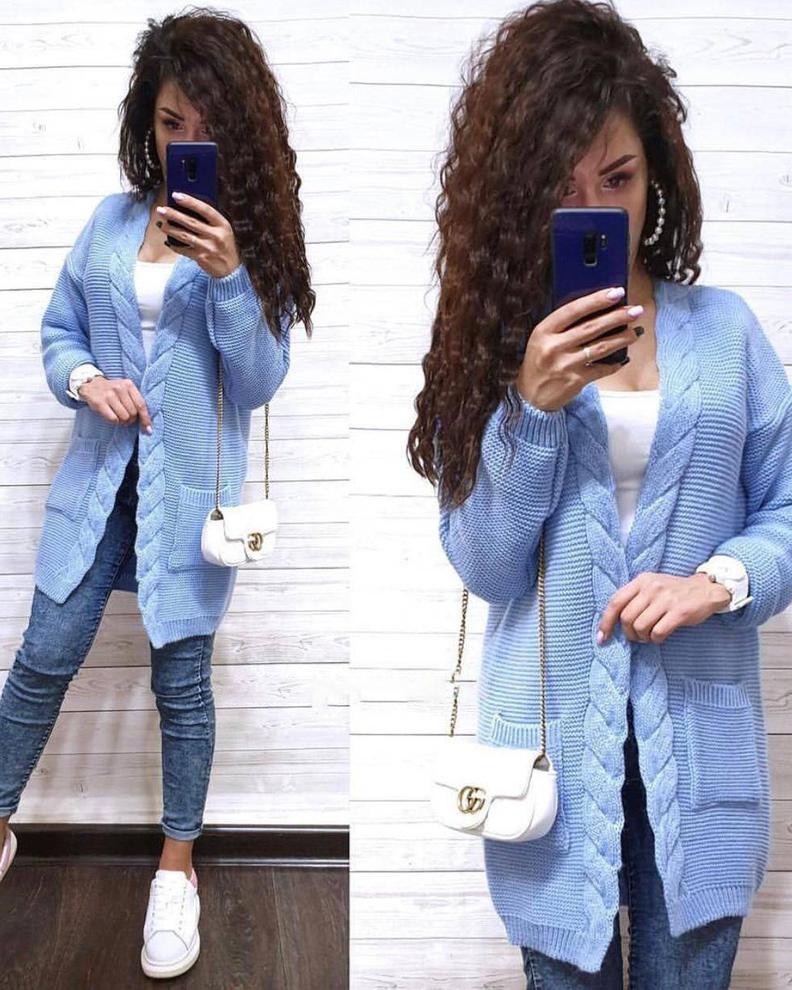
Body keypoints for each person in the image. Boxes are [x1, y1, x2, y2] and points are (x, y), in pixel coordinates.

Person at [407, 0, 791, 986]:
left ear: (657, 171)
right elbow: (487, 568)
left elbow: (787, 509)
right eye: (563, 190)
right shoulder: (490, 353)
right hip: (546, 762)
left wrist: (717, 580)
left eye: (618, 178)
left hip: (701, 755)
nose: (599, 213)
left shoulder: (727, 334)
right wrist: (531, 410)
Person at [0, 7, 314, 981]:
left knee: (181, 683)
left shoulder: (247, 245)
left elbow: (258, 382)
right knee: (45, 655)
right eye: (172, 122)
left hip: (186, 504)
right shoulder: (110, 221)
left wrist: (229, 276)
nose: (186, 144)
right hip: (99, 483)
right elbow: (59, 330)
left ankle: (177, 867)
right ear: (149, 119)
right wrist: (84, 379)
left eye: (206, 127)